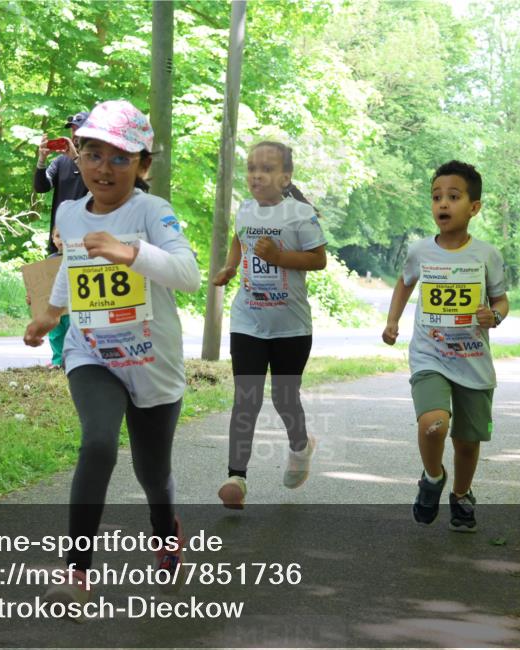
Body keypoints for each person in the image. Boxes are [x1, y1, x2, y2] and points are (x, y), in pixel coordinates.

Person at [23, 100, 200, 615]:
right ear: (77, 157)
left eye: (120, 158)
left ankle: (165, 531)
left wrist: (131, 252)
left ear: (142, 165)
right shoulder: (69, 212)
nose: (105, 168)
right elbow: (71, 266)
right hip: (91, 351)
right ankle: (77, 573)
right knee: (98, 443)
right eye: (93, 154)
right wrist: (50, 314)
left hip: (151, 360)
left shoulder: (151, 211)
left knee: (153, 474)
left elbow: (188, 274)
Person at [382, 160, 508, 533]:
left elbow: (501, 301)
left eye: (453, 197)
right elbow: (405, 283)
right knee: (433, 424)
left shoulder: (486, 255)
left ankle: (462, 495)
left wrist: (494, 316)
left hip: (473, 361)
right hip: (430, 355)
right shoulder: (420, 251)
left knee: (467, 442)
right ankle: (432, 478)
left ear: (474, 207)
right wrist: (392, 321)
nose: (443, 204)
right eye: (437, 197)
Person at [211, 141, 327, 510]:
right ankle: (236, 477)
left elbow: (319, 259)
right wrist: (231, 267)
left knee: (284, 397)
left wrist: (278, 257)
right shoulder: (245, 209)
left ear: (285, 177)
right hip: (248, 319)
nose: (256, 176)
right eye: (251, 168)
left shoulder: (300, 214)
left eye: (266, 169)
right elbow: (239, 239)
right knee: (246, 398)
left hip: (291, 326)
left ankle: (300, 446)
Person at [34, 111, 89, 255]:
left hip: (86, 241)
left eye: (79, 130)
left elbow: (96, 184)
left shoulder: (97, 160)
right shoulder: (60, 161)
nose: (75, 134)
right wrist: (41, 160)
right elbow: (41, 187)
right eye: (73, 129)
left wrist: (76, 158)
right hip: (60, 241)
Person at [45, 227, 70, 369]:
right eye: (58, 236)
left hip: (73, 307)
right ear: (53, 239)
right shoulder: (50, 260)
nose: (61, 240)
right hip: (55, 307)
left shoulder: (79, 257)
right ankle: (57, 361)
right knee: (55, 334)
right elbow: (42, 285)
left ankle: (73, 360)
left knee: (73, 333)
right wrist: (33, 298)